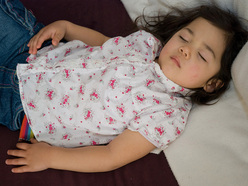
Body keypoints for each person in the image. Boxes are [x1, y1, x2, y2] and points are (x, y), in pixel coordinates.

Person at [2, 0, 247, 173]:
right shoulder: (146, 45)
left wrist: (52, 157)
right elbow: (104, 44)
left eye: (202, 55)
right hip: (34, 46)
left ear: (212, 83)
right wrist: (68, 27)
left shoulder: (166, 114)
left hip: (24, 107)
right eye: (184, 37)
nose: (185, 48)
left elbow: (111, 156)